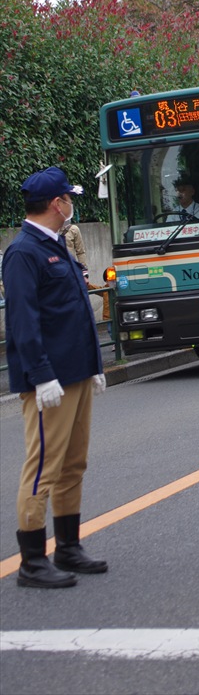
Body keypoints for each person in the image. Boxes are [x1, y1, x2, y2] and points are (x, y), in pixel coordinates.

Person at [3, 167, 108, 589]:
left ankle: (67, 546)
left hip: (77, 372)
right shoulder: (24, 252)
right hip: (51, 381)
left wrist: (96, 365)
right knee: (43, 466)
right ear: (54, 203)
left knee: (73, 463)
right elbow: (23, 322)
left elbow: (76, 312)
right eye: (68, 197)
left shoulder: (56, 243)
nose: (70, 203)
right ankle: (31, 560)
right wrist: (42, 375)